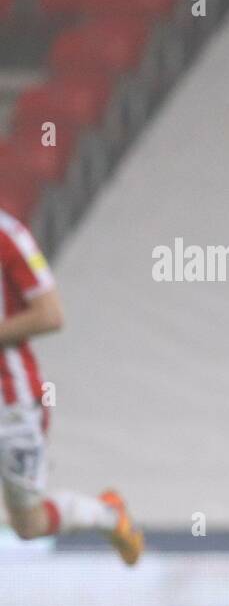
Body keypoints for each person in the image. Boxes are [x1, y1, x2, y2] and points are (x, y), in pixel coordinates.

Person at [0, 209, 142, 562]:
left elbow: (50, 314)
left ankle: (108, 515)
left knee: (29, 524)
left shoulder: (8, 235)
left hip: (11, 405)